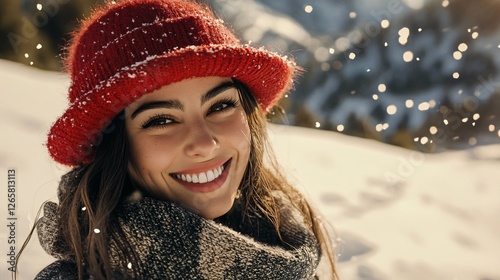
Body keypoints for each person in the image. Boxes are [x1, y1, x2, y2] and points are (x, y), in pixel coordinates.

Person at [28, 0, 339, 279]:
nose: (205, 144)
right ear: (114, 148)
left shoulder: (289, 243)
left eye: (220, 106)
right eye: (161, 120)